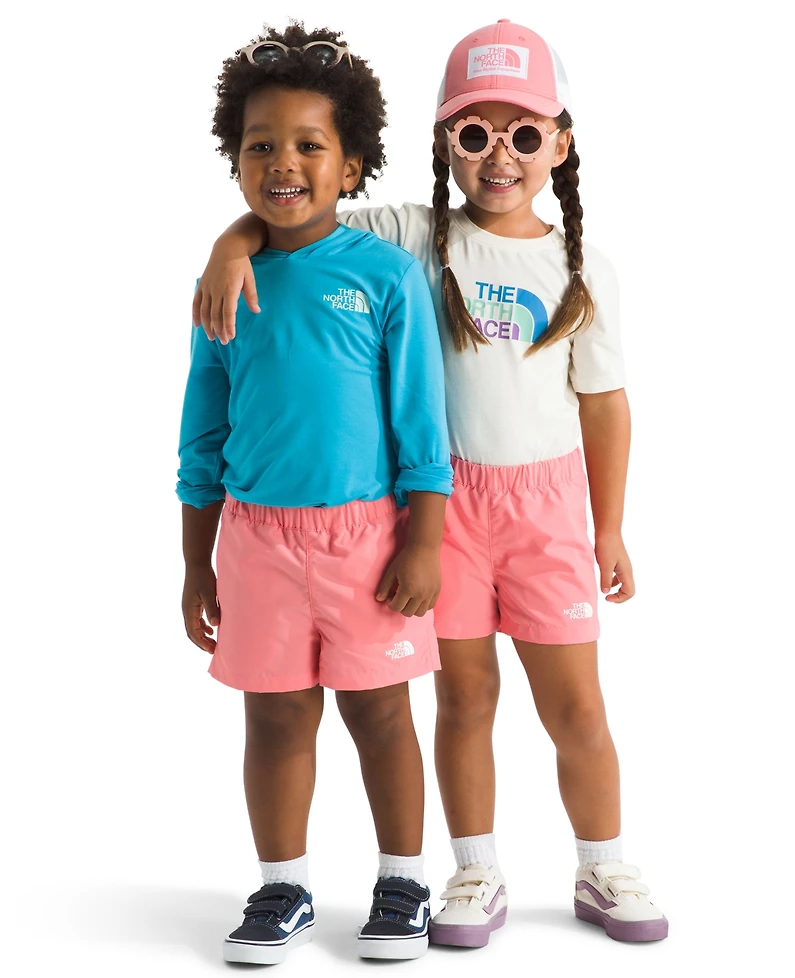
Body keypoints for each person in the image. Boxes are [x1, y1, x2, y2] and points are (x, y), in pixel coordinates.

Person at [191, 19, 668, 945]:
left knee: (576, 703)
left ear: (560, 144)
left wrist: (609, 528)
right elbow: (296, 213)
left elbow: (606, 407)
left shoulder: (583, 268)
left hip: (545, 508)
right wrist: (227, 245)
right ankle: (473, 870)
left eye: (523, 134)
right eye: (475, 133)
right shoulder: (415, 233)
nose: (499, 156)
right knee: (464, 696)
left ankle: (603, 862)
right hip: (439, 508)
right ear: (445, 141)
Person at [177, 23, 453, 964]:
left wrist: (423, 541)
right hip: (255, 541)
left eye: (308, 145)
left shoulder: (386, 276)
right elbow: (202, 434)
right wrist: (196, 562)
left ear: (352, 165)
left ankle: (404, 881)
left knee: (381, 714)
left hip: (366, 541)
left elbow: (421, 424)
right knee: (276, 716)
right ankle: (282, 887)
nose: (283, 163)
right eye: (260, 145)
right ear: (236, 161)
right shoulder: (224, 281)